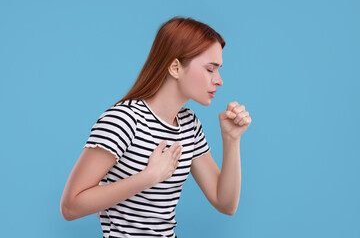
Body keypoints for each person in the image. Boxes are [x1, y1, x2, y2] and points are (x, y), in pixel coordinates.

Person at [60, 16, 252, 238]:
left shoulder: (189, 124)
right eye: (210, 69)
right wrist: (148, 177)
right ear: (175, 67)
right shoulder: (123, 120)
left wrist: (231, 140)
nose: (219, 80)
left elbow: (225, 203)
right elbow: (70, 207)